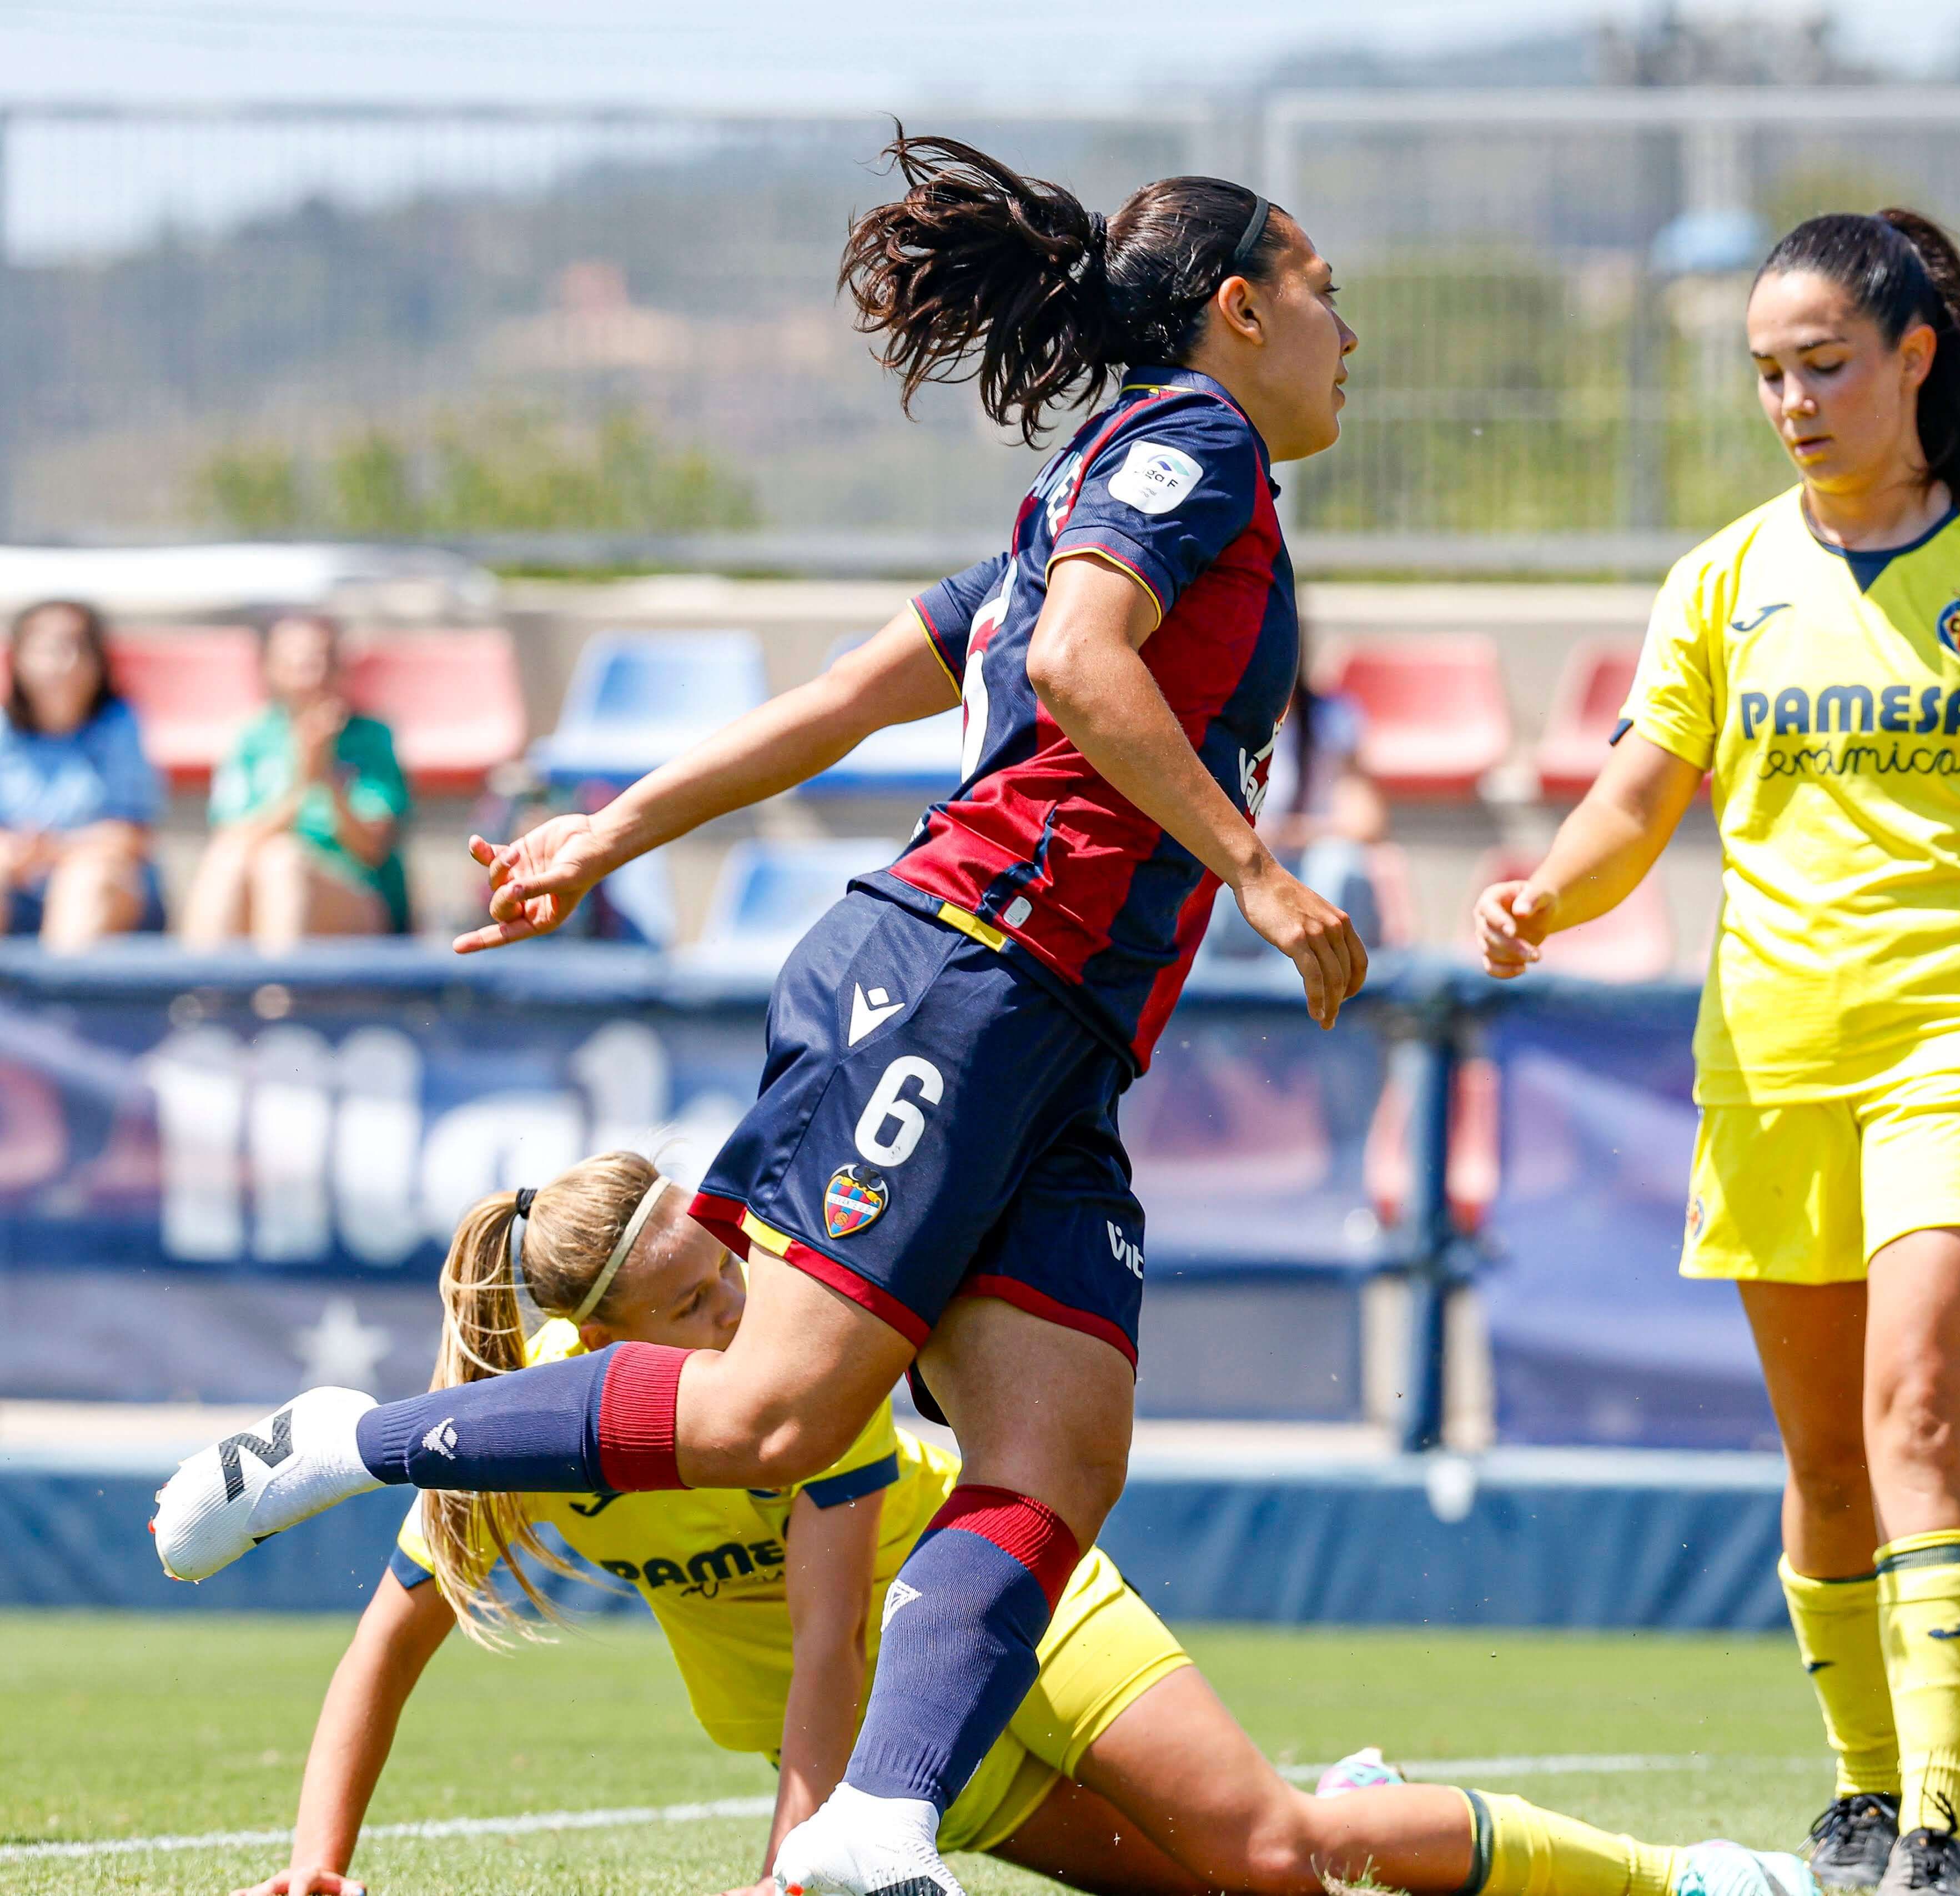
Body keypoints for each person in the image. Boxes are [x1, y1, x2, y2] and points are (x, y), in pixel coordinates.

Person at [155, 132, 1369, 1896]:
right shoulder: (1190, 450)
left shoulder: (1089, 487)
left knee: (1052, 1459)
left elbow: (833, 699)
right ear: (1243, 308)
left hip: (1043, 1031)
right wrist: (1254, 868)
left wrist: (607, 830)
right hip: (967, 974)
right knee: (768, 1421)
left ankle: (873, 1828)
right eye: (1327, 289)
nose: (1350, 328)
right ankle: (348, 1437)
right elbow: (1073, 667)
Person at [1473, 210, 1960, 1896]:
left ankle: (1934, 1825)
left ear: (1914, 356)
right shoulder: (1720, 580)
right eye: (1766, 370)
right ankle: (1851, 1793)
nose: (1791, 399)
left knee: (1915, 1412)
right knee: (1823, 1455)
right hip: (1768, 1062)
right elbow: (1634, 803)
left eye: (1822, 364)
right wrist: (1544, 893)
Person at [229, 1152, 1808, 1896]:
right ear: (594, 1335)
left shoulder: (810, 1362)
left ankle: (1686, 1877)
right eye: (693, 1302)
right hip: (919, 1756)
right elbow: (389, 1638)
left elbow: (836, 1635)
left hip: (999, 1620)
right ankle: (1348, 1794)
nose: (741, 1304)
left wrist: (798, 1864)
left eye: (724, 1266)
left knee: (1277, 1855)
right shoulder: (546, 1434)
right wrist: (319, 1865)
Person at [183, 610, 410, 950]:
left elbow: (371, 851)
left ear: (339, 668)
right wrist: (303, 782)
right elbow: (234, 838)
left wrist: (328, 780)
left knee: (283, 864)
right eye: (294, 661)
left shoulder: (372, 738)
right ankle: (202, 991)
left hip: (358, 899)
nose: (310, 674)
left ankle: (278, 998)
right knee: (233, 859)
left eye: (319, 660)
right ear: (270, 669)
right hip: (258, 882)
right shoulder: (252, 738)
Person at [1204, 623, 1390, 959]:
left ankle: (1315, 995)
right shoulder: (1220, 720)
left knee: (1340, 867)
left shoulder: (1334, 718)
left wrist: (1292, 835)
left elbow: (1366, 822)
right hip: (1245, 864)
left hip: (1308, 860)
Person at [0, 599, 164, 949]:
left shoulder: (119, 725)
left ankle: (60, 998)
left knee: (85, 879)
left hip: (108, 893)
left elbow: (131, 836)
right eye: (51, 649)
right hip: (18, 893)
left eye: (80, 648)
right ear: (19, 659)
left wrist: (52, 852)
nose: (67, 663)